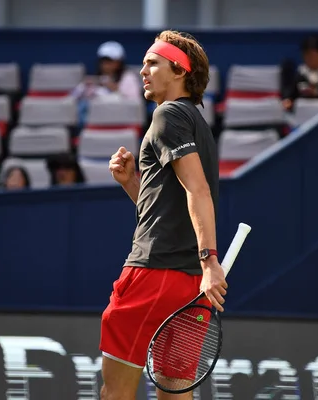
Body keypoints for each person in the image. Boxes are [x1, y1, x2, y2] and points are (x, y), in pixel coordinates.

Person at [100, 30, 225, 400]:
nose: (143, 71)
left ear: (179, 71)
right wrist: (131, 185)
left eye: (152, 63)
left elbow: (197, 191)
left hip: (154, 275)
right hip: (190, 288)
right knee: (175, 396)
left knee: (114, 394)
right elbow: (169, 207)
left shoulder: (168, 115)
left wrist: (210, 260)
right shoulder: (197, 122)